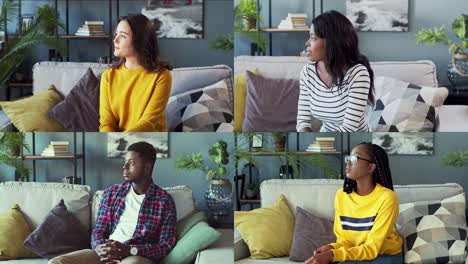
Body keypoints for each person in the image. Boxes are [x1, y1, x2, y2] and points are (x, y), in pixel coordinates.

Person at [49, 142, 177, 264]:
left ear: (147, 167)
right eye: (125, 162)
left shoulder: (164, 201)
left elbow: (165, 245)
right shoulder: (111, 193)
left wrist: (130, 250)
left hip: (134, 256)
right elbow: (99, 230)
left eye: (131, 163)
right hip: (105, 251)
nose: (124, 167)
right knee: (57, 262)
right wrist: (99, 247)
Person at [306, 143, 403, 264]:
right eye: (348, 157)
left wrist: (332, 255)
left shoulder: (387, 197)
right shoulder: (342, 195)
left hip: (385, 256)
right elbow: (346, 241)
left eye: (355, 158)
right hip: (359, 252)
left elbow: (372, 248)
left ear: (371, 167)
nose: (348, 162)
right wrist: (331, 248)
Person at [296, 10, 374, 132]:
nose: (307, 43)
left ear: (331, 42)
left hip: (354, 139)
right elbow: (302, 121)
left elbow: (349, 128)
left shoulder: (358, 74)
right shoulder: (308, 72)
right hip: (325, 139)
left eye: (313, 38)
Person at [100, 14, 172, 132]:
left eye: (122, 36)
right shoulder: (108, 76)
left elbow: (148, 122)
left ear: (140, 40)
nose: (115, 40)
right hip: (118, 142)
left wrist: (121, 140)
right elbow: (106, 123)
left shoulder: (162, 76)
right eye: (116, 34)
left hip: (151, 139)